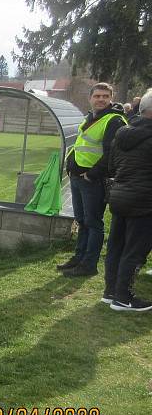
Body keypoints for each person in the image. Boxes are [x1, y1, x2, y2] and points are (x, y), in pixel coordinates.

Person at [58, 82, 128, 277]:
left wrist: (91, 174)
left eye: (105, 96)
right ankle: (79, 257)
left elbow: (111, 154)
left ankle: (89, 265)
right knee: (81, 220)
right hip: (78, 177)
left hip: (92, 180)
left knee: (93, 223)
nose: (101, 99)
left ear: (111, 98)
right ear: (90, 98)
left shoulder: (114, 120)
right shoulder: (92, 117)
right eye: (97, 96)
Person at [104, 88, 152, 311]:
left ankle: (111, 291)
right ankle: (123, 298)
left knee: (116, 246)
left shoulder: (122, 132)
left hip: (120, 197)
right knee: (134, 251)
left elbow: (112, 166)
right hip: (144, 202)